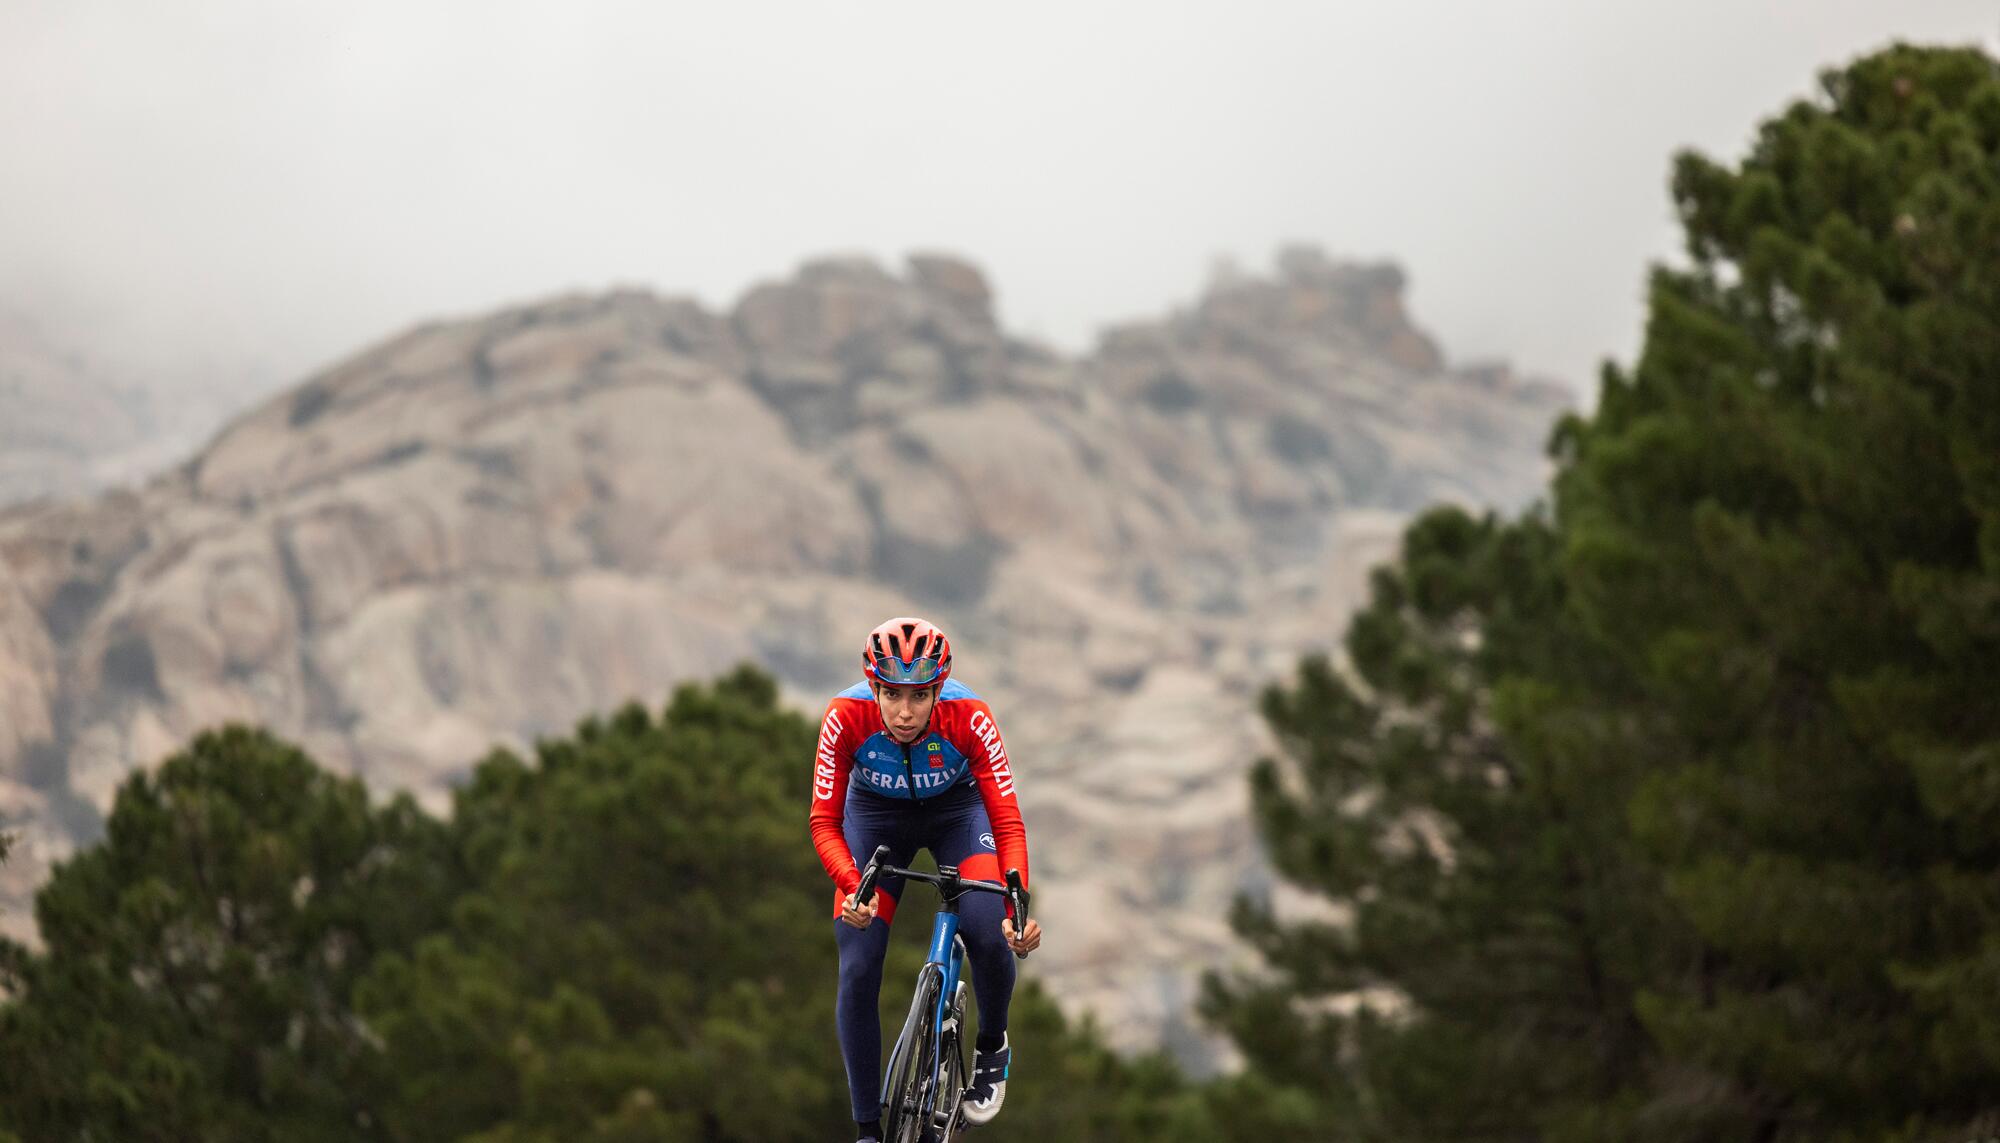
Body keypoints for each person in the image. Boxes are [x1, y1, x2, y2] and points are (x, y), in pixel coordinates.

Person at [809, 616, 1043, 1143]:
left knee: (987, 930)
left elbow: (1005, 819)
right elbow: (824, 822)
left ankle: (991, 1048)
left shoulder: (970, 716)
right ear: (874, 687)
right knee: (859, 961)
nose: (905, 711)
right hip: (873, 818)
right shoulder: (845, 717)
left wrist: (1016, 912)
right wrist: (852, 886)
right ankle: (868, 1128)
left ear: (939, 687)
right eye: (891, 694)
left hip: (958, 814)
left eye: (919, 695)